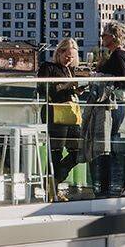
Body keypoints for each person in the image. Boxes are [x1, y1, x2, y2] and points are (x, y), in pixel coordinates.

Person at [39, 37, 83, 197]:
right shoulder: (48, 67)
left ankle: (54, 180)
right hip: (55, 112)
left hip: (70, 113)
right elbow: (42, 89)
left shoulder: (70, 70)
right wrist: (64, 86)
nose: (69, 60)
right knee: (55, 151)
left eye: (72, 57)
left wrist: (76, 90)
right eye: (67, 56)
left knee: (79, 149)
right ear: (60, 52)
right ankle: (52, 188)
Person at [93, 21, 125, 196]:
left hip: (114, 105)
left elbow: (123, 80)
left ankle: (113, 185)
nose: (102, 37)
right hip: (115, 105)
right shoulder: (118, 55)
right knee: (110, 143)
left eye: (105, 35)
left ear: (114, 37)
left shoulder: (118, 55)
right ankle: (115, 184)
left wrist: (102, 76)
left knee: (110, 144)